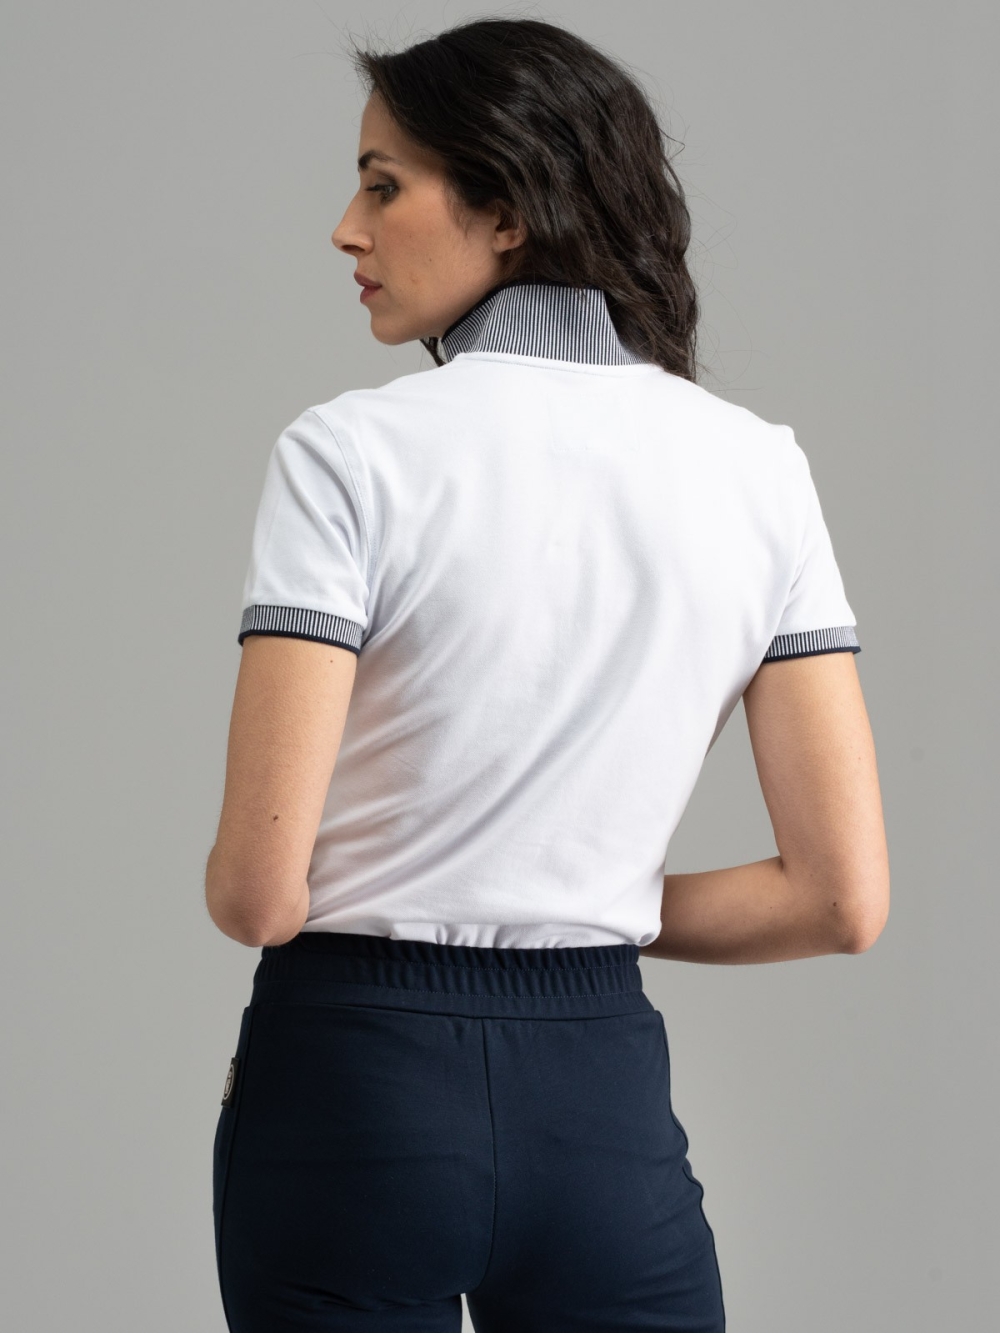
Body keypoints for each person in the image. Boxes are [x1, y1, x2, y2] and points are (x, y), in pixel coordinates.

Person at [205, 17, 890, 1333]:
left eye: (383, 186)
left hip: (355, 1092)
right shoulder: (760, 468)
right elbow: (839, 898)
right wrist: (583, 894)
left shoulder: (347, 454)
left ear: (510, 211)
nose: (347, 229)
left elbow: (257, 892)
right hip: (600, 1106)